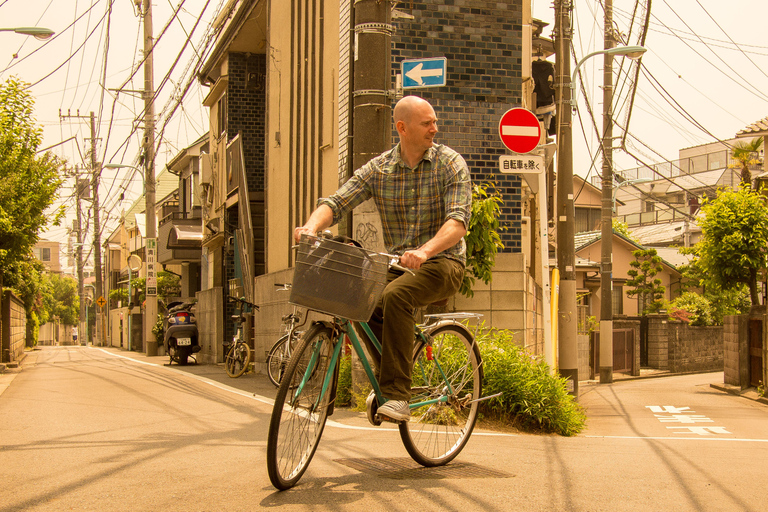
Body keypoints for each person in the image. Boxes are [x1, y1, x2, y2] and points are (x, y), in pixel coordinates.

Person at [294, 95, 472, 423]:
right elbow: (337, 201)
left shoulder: (449, 163)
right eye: (427, 123)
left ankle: (398, 395)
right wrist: (310, 226)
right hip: (400, 263)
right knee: (358, 299)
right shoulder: (379, 169)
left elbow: (458, 222)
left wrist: (425, 250)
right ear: (402, 128)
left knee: (395, 296)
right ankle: (394, 372)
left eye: (434, 121)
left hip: (444, 261)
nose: (436, 127)